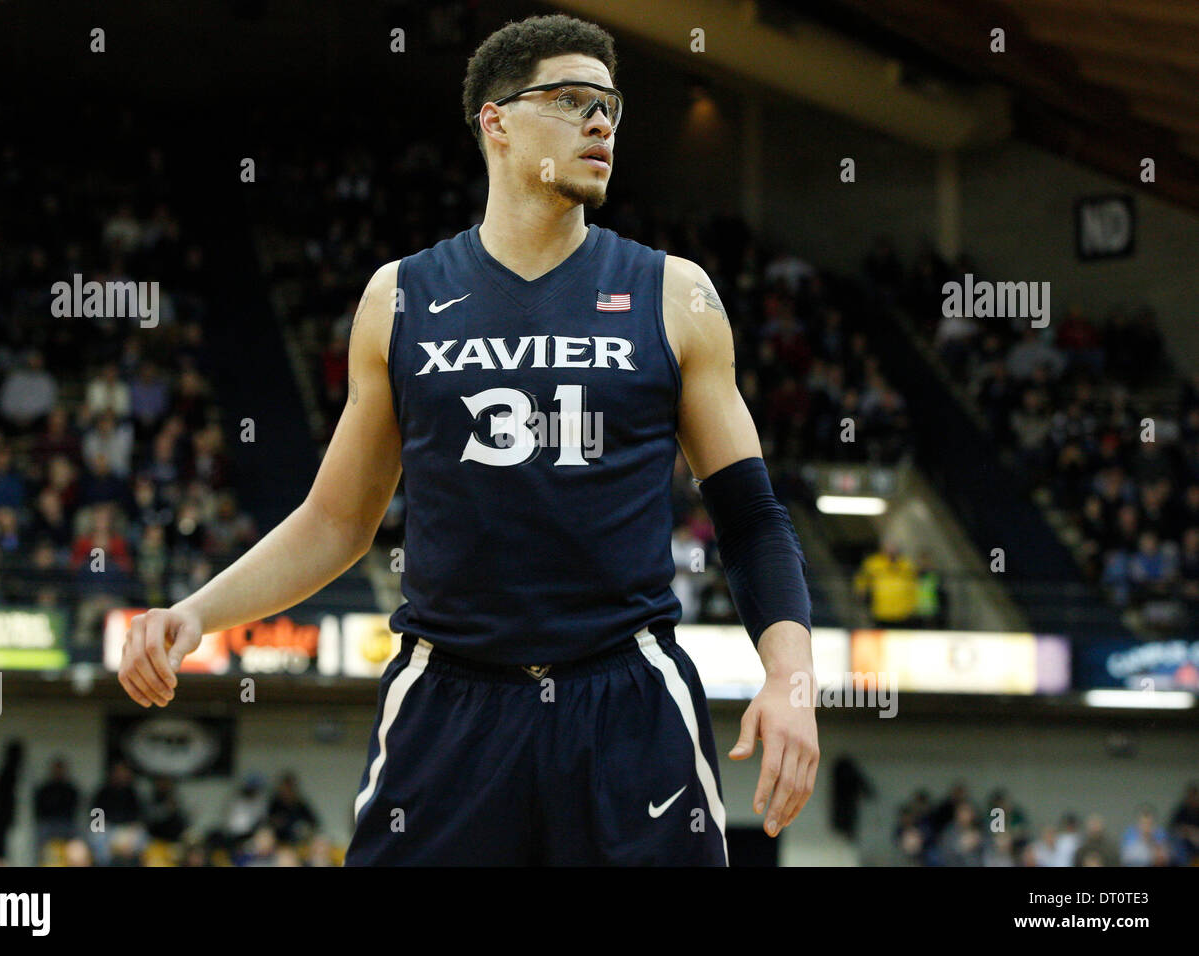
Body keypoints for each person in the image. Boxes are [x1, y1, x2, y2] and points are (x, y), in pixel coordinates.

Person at [118, 13, 816, 866]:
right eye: (570, 101)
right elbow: (338, 522)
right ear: (495, 120)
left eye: (610, 107)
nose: (600, 124)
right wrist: (195, 613)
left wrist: (790, 679)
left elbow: (749, 518)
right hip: (447, 704)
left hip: (627, 700)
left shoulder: (676, 295)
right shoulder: (399, 297)